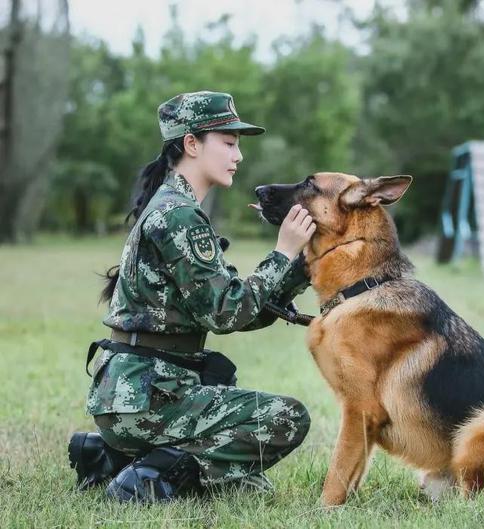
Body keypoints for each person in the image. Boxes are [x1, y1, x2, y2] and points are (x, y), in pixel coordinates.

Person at [68, 91, 316, 502]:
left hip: (135, 394)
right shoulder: (179, 214)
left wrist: (299, 271)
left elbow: (239, 309)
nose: (238, 156)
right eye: (229, 143)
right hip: (147, 399)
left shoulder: (170, 205)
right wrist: (282, 252)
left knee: (250, 483)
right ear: (191, 144)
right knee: (287, 418)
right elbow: (227, 314)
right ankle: (149, 475)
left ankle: (112, 457)